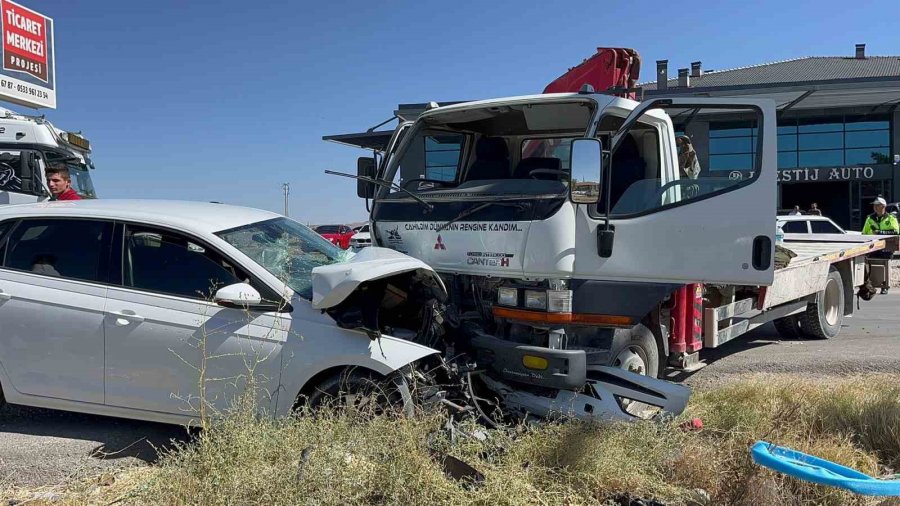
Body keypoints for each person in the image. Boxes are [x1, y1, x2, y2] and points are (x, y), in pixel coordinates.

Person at [862, 197, 899, 294]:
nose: (874, 207)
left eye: (877, 205)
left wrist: (879, 232)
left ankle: (885, 285)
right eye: (874, 205)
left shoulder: (891, 218)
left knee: (885, 264)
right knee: (872, 265)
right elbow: (864, 233)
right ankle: (872, 286)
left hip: (887, 247)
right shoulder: (870, 218)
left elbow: (895, 231)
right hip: (873, 246)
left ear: (883, 206)